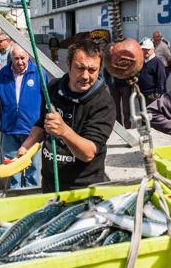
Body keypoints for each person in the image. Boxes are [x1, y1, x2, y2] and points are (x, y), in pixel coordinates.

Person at [19, 39, 116, 192]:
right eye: (80, 68)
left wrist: (64, 131)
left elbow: (88, 153)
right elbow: (42, 123)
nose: (85, 76)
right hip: (50, 184)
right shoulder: (53, 88)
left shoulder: (103, 103)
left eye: (92, 70)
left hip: (83, 189)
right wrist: (26, 147)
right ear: (68, 64)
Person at [0, 46, 47, 189]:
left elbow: (48, 99)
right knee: (11, 167)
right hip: (9, 130)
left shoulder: (39, 73)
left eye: (22, 58)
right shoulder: (3, 74)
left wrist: (43, 123)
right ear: (11, 58)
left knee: (33, 168)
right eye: (16, 58)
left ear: (28, 57)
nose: (20, 62)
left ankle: (32, 193)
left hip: (32, 130)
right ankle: (13, 194)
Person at [138, 39, 167, 105]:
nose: (146, 51)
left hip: (152, 95)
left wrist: (157, 94)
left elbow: (161, 79)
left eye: (148, 49)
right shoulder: (143, 61)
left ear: (152, 49)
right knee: (143, 113)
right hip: (143, 94)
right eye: (144, 49)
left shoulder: (157, 62)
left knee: (152, 114)